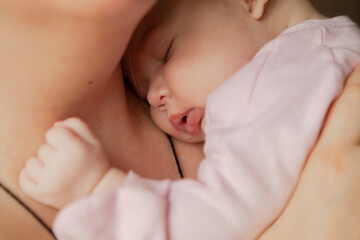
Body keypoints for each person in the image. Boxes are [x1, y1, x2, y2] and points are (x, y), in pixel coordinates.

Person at [0, 0, 359, 239]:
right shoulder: (329, 52)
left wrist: (100, 191)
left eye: (166, 51)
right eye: (143, 93)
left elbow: (215, 224)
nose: (156, 96)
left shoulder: (290, 73)